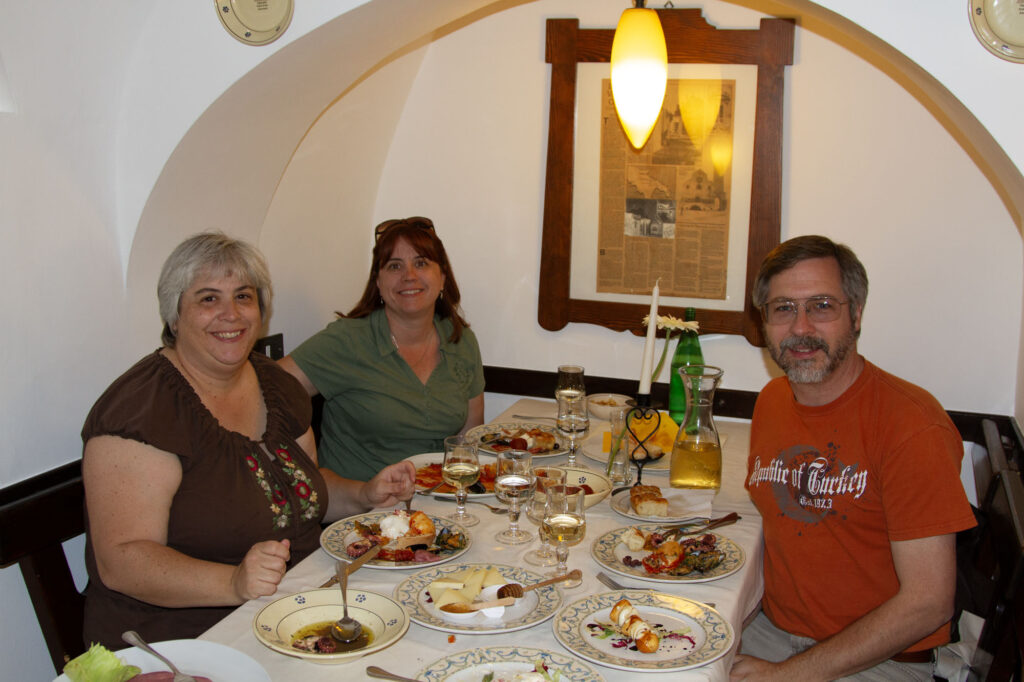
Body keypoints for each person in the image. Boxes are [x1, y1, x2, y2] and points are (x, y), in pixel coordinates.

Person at [81, 233, 416, 649]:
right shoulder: (142, 412)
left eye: (243, 296)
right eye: (208, 299)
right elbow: (123, 561)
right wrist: (235, 582)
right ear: (174, 315)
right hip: (183, 640)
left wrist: (363, 494)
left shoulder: (275, 383)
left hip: (296, 609)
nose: (231, 314)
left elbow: (305, 485)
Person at [731, 235, 976, 681]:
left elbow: (928, 603)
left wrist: (787, 675)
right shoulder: (772, 401)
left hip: (884, 660)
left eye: (822, 306)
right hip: (774, 632)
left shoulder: (912, 425)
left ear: (857, 314)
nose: (801, 328)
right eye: (783, 308)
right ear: (764, 322)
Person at [280, 217, 485, 481]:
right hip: (361, 511)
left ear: (443, 277)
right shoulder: (347, 341)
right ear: (378, 282)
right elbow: (269, 388)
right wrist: (302, 456)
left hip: (436, 504)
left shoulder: (461, 340)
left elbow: (467, 443)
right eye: (394, 266)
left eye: (421, 263)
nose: (409, 276)